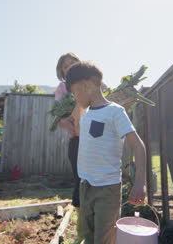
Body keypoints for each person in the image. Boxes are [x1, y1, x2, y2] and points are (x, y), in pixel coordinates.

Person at [65, 61, 147, 244]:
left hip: (107, 189)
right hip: (85, 186)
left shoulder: (115, 112)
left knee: (104, 238)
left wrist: (140, 182)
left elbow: (138, 145)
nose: (75, 98)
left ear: (87, 85)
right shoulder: (85, 115)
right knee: (88, 236)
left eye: (75, 92)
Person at [54, 52, 84, 242]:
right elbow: (59, 117)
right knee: (80, 182)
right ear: (62, 71)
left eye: (73, 63)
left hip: (97, 141)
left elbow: (107, 97)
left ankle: (98, 226)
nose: (70, 67)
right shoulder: (62, 89)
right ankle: (82, 231)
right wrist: (69, 124)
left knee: (97, 182)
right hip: (77, 141)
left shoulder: (92, 81)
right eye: (65, 66)